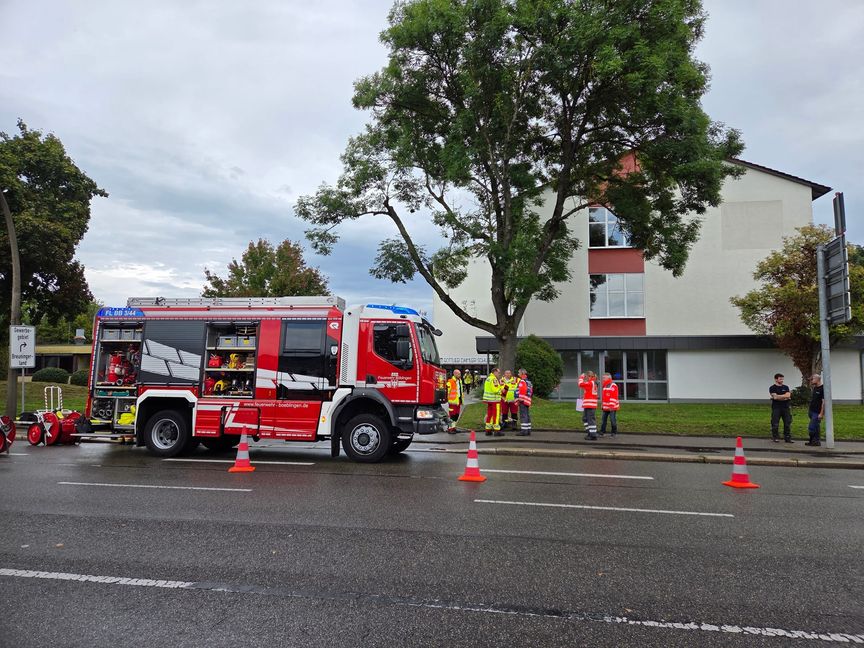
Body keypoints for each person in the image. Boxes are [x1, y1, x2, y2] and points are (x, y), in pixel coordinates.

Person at [769, 373, 793, 443]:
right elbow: (775, 397)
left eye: (782, 379)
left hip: (786, 408)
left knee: (787, 423)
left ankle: (787, 438)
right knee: (775, 423)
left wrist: (779, 396)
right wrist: (784, 396)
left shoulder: (786, 387)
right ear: (776, 379)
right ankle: (775, 437)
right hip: (776, 408)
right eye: (780, 379)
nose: (782, 380)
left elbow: (788, 395)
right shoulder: (772, 388)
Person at [482, 367, 503, 436]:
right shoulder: (494, 379)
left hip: (489, 400)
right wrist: (502, 391)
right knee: (496, 415)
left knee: (489, 415)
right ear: (495, 372)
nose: (499, 374)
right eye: (498, 372)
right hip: (495, 400)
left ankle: (488, 430)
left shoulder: (488, 378)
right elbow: (495, 390)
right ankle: (497, 430)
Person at [806, 373, 825, 447]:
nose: (811, 381)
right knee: (816, 427)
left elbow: (824, 402)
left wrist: (821, 413)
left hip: (817, 412)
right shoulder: (815, 388)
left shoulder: (823, 388)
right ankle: (815, 441)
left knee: (812, 427)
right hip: (811, 411)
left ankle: (814, 440)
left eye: (812, 379)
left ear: (817, 379)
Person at [578, 371, 598, 440]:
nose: (585, 379)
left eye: (586, 377)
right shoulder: (592, 382)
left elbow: (580, 384)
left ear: (589, 376)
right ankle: (590, 432)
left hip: (590, 404)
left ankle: (593, 435)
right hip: (588, 404)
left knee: (590, 420)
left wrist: (581, 377)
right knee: (585, 419)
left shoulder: (591, 383)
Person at [515, 368, 533, 436]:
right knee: (527, 415)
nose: (518, 374)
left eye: (519, 373)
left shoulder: (522, 381)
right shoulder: (528, 381)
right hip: (527, 400)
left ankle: (524, 431)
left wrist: (519, 399)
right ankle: (528, 430)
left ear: (522, 373)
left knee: (523, 415)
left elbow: (522, 391)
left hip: (523, 400)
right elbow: (530, 391)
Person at [446, 369, 463, 434]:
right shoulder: (450, 381)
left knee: (456, 415)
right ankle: (450, 429)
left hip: (458, 401)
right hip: (452, 402)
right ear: (455, 374)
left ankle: (453, 428)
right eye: (458, 374)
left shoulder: (459, 381)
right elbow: (447, 392)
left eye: (460, 374)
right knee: (452, 416)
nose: (460, 375)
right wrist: (448, 400)